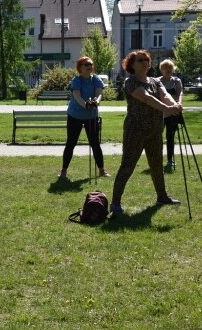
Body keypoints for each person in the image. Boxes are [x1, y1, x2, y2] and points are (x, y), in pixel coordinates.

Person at [110, 50, 183, 214]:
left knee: (157, 164)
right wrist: (168, 109)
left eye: (146, 60)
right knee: (128, 165)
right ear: (132, 65)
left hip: (155, 129)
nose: (144, 62)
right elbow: (146, 98)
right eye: (140, 60)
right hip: (135, 130)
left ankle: (162, 196)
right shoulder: (131, 82)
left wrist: (175, 105)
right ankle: (115, 202)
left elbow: (165, 95)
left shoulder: (155, 81)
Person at [58, 56, 110, 179]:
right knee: (71, 143)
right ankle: (64, 171)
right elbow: (77, 96)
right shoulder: (76, 80)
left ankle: (102, 170)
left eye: (90, 64)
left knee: (95, 143)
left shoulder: (96, 79)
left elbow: (99, 94)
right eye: (86, 64)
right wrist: (86, 104)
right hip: (75, 115)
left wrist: (96, 102)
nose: (89, 66)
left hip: (91, 116)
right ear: (80, 67)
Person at [158, 59, 184, 172]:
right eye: (165, 68)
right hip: (160, 112)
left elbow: (180, 93)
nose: (168, 70)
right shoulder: (157, 81)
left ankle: (170, 160)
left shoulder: (176, 80)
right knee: (157, 137)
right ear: (161, 69)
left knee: (170, 137)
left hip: (172, 113)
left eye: (170, 68)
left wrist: (179, 103)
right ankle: (157, 160)